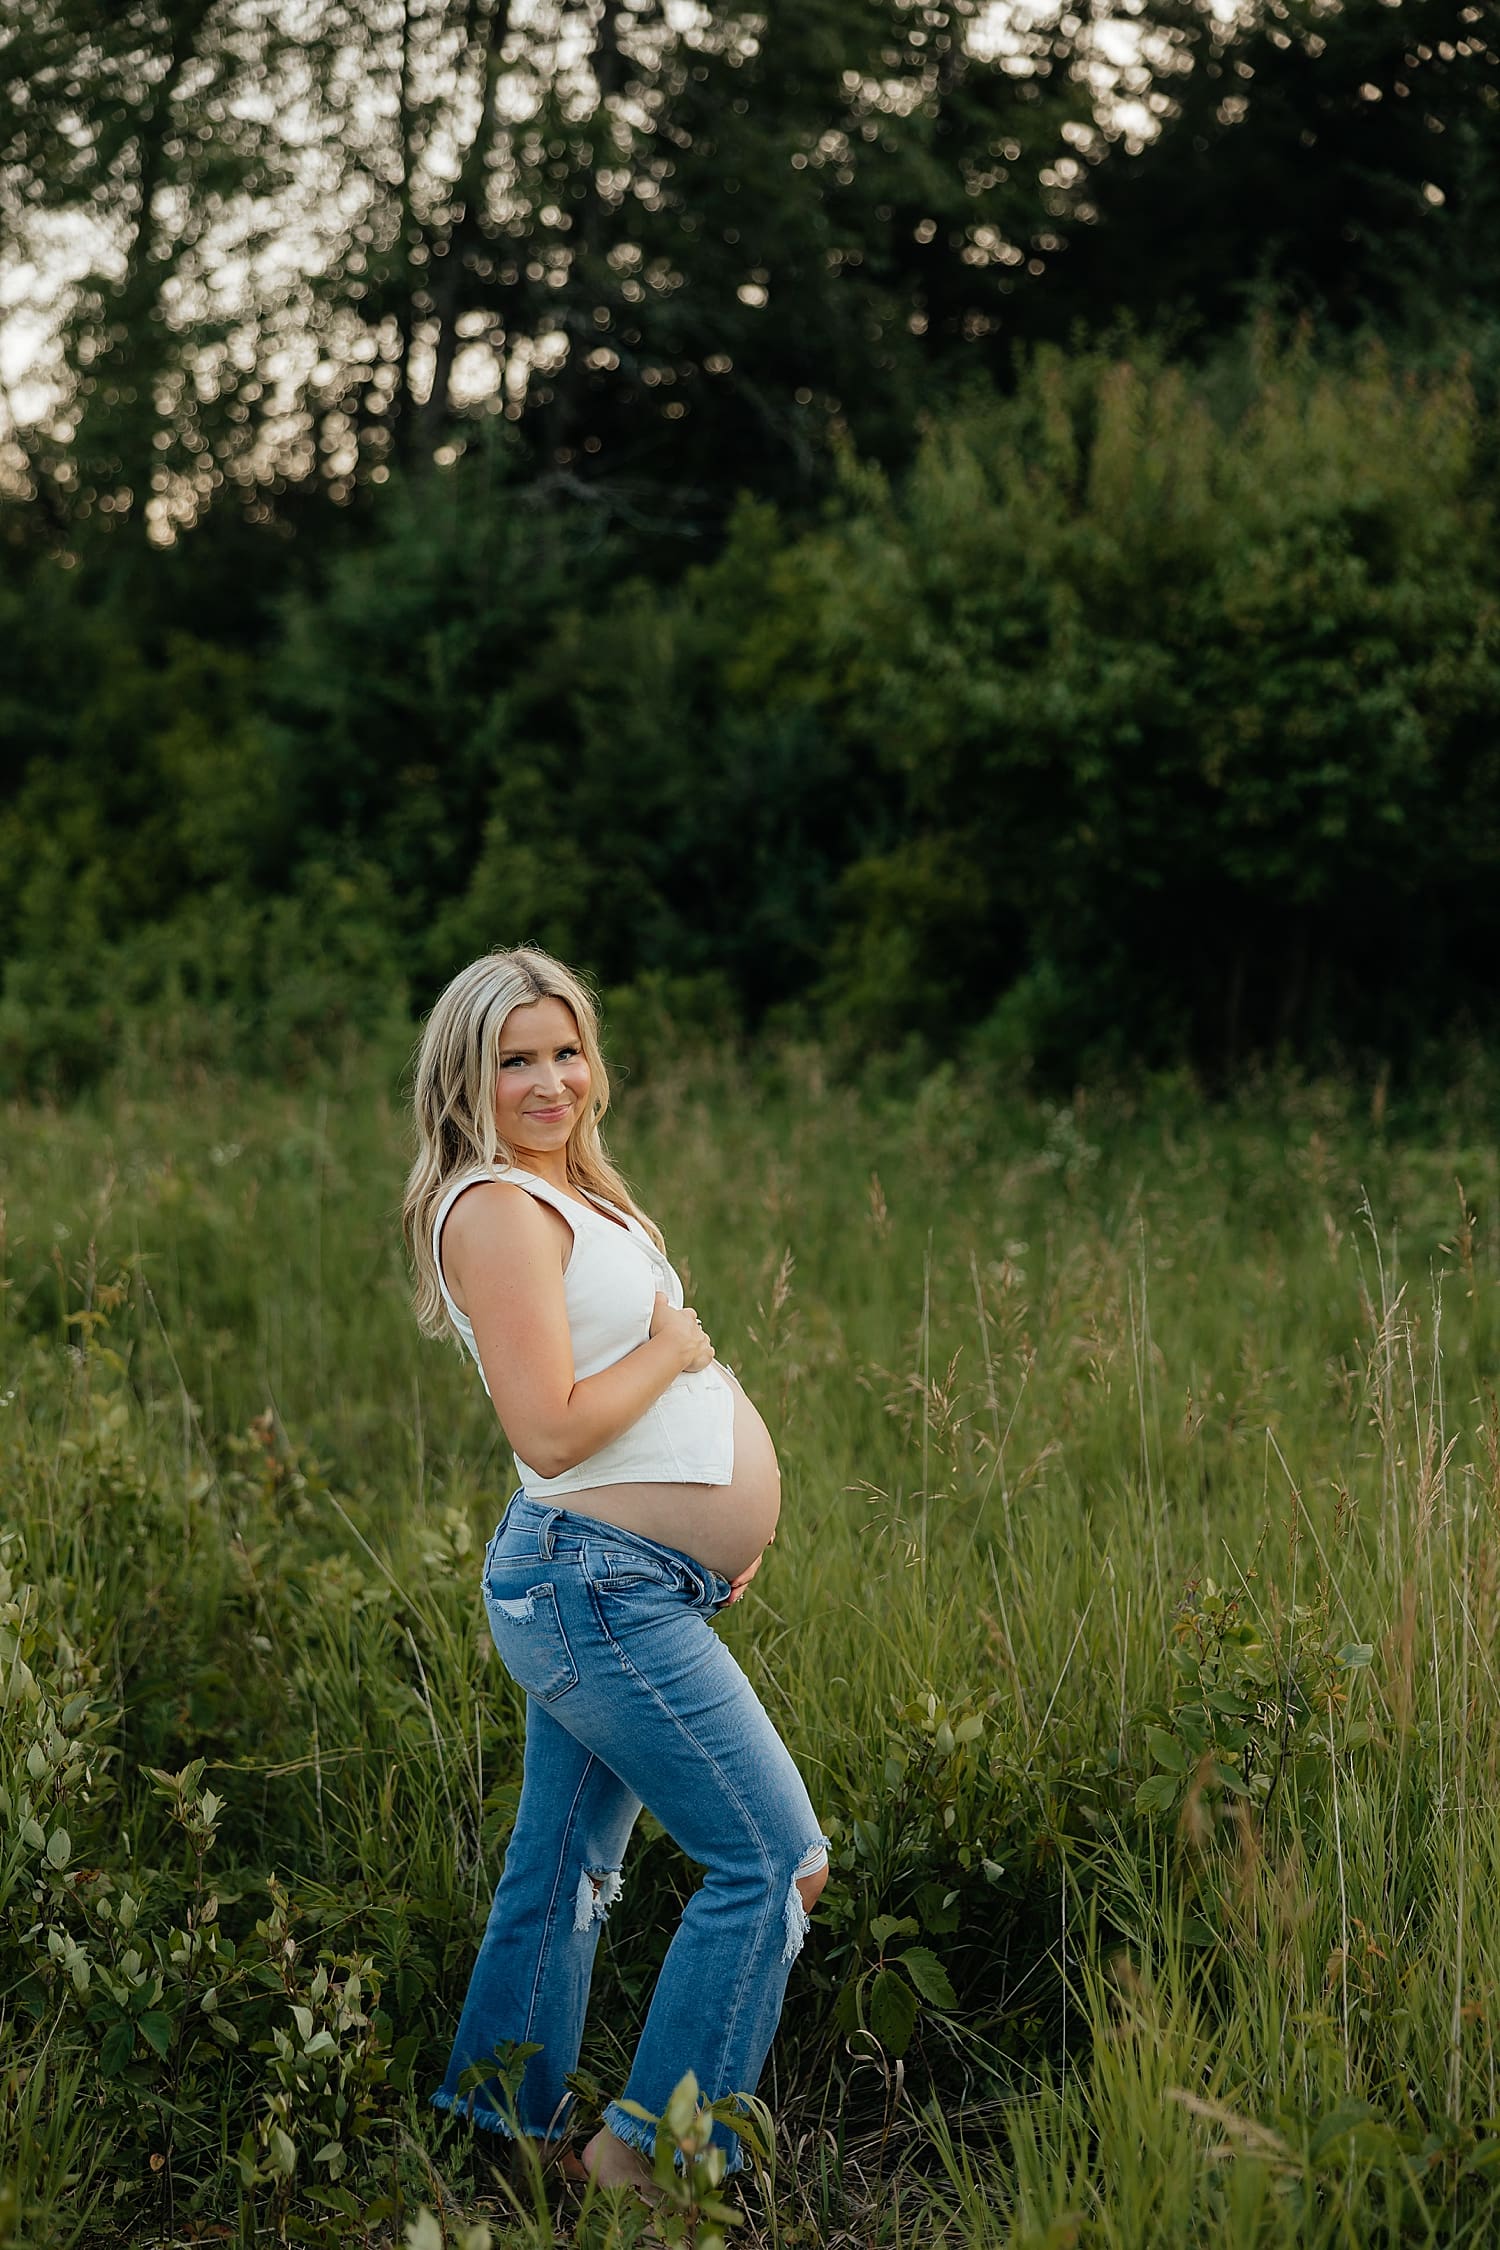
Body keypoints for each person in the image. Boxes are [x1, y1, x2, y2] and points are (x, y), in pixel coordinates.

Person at [402, 945, 828, 2193]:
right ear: (464, 1077)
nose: (550, 1082)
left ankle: (496, 2128)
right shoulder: (496, 1208)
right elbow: (549, 1428)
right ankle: (645, 2162)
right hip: (593, 1586)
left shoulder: (570, 1195)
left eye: (566, 1051)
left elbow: (626, 1419)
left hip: (624, 1580)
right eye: (515, 1060)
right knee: (774, 1861)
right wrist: (677, 1350)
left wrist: (718, 1538)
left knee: (565, 1865)